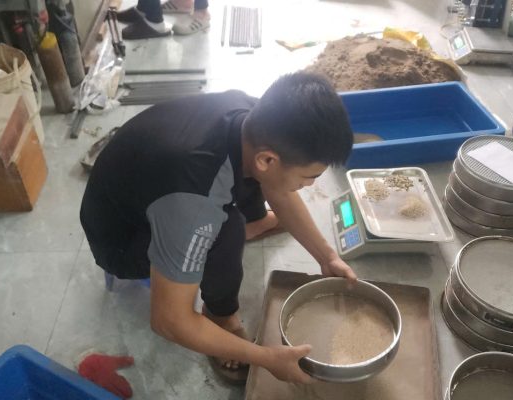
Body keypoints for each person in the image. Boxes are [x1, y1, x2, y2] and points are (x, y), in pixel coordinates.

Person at [79, 72, 357, 385]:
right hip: (120, 236)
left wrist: (327, 257)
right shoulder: (194, 201)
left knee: (248, 188)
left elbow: (277, 186)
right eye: (309, 177)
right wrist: (266, 358)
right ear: (267, 159)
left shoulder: (256, 118)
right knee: (228, 229)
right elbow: (169, 321)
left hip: (146, 186)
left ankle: (255, 222)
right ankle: (220, 317)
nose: (310, 185)